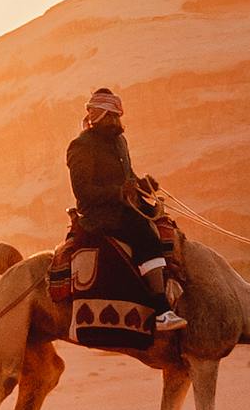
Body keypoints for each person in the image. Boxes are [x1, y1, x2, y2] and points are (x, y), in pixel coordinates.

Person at [66, 87, 185, 330]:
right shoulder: (81, 146)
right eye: (111, 116)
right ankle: (161, 311)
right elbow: (83, 192)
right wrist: (120, 192)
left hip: (125, 206)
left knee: (164, 225)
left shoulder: (119, 141)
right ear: (98, 116)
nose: (117, 121)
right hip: (100, 215)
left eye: (118, 116)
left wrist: (142, 185)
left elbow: (127, 176)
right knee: (145, 234)